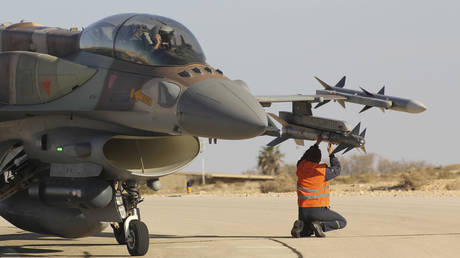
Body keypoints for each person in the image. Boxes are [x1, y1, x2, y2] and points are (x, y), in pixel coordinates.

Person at [291, 138, 347, 238]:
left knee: (307, 232)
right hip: (317, 210)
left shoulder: (300, 168)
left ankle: (300, 228)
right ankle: (321, 226)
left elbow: (302, 159)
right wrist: (331, 154)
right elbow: (337, 169)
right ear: (318, 159)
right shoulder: (321, 171)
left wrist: (316, 144)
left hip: (303, 212)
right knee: (342, 222)